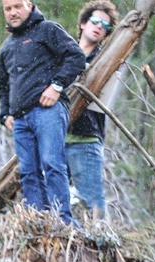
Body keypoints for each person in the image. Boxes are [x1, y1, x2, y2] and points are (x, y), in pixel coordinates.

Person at [0, 0, 86, 226]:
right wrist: (5, 114)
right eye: (8, 9)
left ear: (30, 5)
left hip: (48, 112)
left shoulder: (47, 29)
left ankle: (63, 222)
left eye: (17, 6)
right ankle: (38, 222)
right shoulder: (6, 47)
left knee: (52, 164)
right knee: (28, 172)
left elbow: (76, 57)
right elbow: (4, 85)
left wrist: (56, 86)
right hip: (20, 120)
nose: (13, 12)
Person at [66, 1, 119, 219]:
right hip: (56, 138)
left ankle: (99, 246)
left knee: (94, 207)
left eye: (104, 25)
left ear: (106, 34)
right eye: (95, 21)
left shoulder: (106, 62)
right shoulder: (65, 53)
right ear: (83, 24)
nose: (98, 26)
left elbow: (100, 104)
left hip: (85, 139)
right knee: (49, 202)